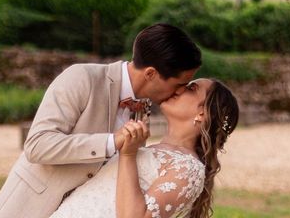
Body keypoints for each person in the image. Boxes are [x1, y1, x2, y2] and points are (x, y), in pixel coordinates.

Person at [0, 23, 202, 218]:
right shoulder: (82, 78)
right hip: (29, 208)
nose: (180, 92)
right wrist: (111, 142)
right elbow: (37, 145)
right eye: (179, 84)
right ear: (151, 74)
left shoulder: (142, 106)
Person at [50, 78, 240, 218]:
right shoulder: (149, 148)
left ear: (203, 113)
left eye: (191, 88)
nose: (179, 87)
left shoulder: (188, 169)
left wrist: (128, 155)